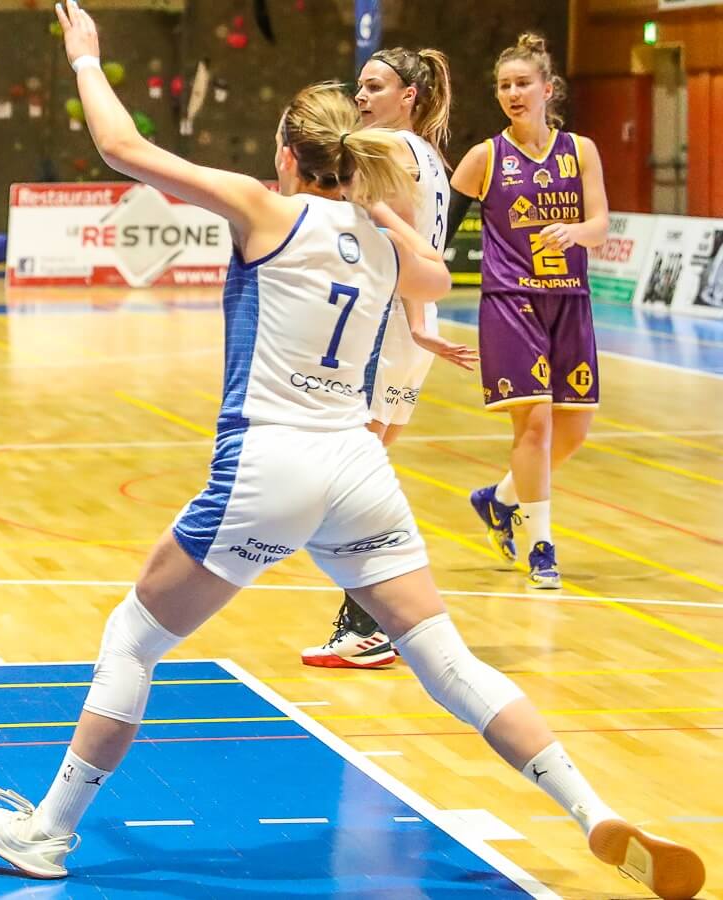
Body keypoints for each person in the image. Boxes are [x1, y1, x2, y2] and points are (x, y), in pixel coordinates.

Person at [0, 7, 705, 899]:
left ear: (287, 153)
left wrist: (86, 60)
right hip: (357, 468)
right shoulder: (383, 241)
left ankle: (48, 831)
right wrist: (390, 216)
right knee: (448, 664)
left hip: (270, 463)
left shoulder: (265, 210)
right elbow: (435, 274)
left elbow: (123, 148)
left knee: (132, 637)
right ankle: (591, 810)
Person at [302, 45, 476, 669]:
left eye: (374, 87)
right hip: (409, 327)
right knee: (361, 477)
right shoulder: (429, 154)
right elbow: (420, 247)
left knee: (350, 482)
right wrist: (422, 327)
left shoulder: (386, 149)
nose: (361, 96)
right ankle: (374, 622)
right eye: (360, 86)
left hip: (385, 324)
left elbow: (396, 245)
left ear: (409, 96)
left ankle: (373, 624)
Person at [452, 33, 609, 589]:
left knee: (574, 430)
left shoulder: (580, 150)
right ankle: (542, 546)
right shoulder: (484, 157)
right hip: (510, 300)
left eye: (523, 83)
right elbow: (440, 224)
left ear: (548, 89)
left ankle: (498, 499)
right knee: (536, 423)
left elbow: (600, 225)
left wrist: (575, 232)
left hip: (570, 299)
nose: (513, 93)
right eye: (504, 86)